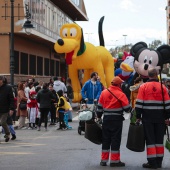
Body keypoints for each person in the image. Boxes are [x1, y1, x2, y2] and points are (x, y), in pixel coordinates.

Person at [135, 68, 170, 169]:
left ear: (148, 75)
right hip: (160, 118)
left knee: (150, 140)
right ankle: (159, 162)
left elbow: (139, 103)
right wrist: (168, 117)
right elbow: (168, 104)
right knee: (159, 140)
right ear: (156, 75)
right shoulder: (163, 87)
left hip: (148, 118)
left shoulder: (143, 87)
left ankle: (152, 162)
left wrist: (138, 117)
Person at [97, 76, 131, 167]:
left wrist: (99, 117)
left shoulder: (104, 92)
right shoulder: (121, 94)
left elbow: (99, 108)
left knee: (106, 139)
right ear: (119, 84)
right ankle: (114, 161)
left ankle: (103, 160)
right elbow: (127, 109)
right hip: (117, 120)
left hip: (106, 119)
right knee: (115, 139)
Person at [0, 76, 15, 142]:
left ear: (1, 80)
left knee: (3, 122)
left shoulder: (8, 88)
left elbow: (11, 99)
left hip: (5, 109)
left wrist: (11, 109)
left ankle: (8, 133)